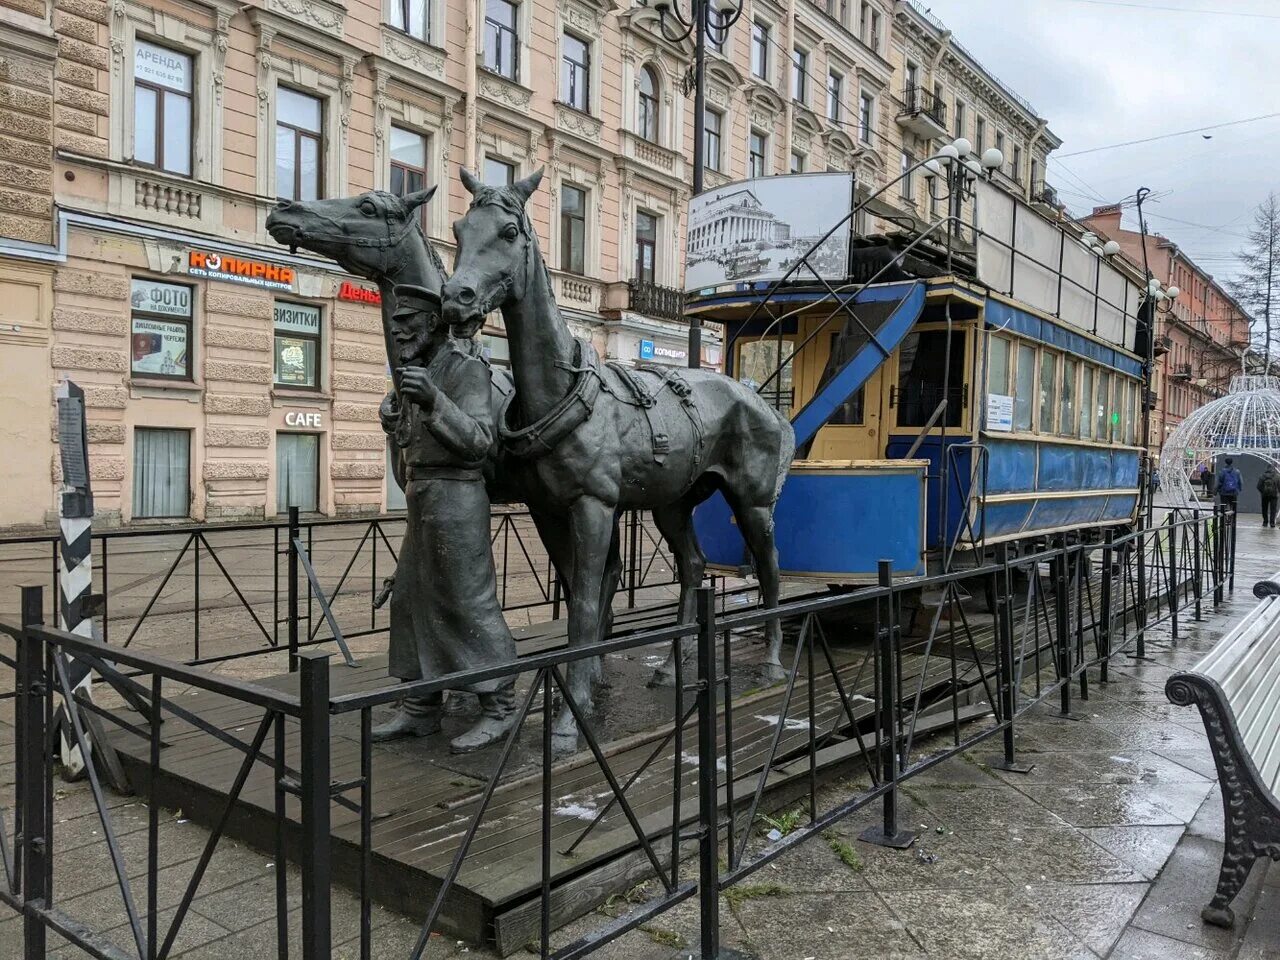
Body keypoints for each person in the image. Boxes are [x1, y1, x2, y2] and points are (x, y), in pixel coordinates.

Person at [373, 283, 517, 753]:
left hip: (457, 497)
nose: (399, 333)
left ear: (433, 323)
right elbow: (408, 461)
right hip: (423, 497)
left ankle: (499, 706)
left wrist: (435, 401)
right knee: (410, 599)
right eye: (396, 325)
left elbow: (479, 442)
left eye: (407, 323)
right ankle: (421, 707)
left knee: (465, 600)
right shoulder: (417, 372)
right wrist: (395, 425)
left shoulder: (467, 368)